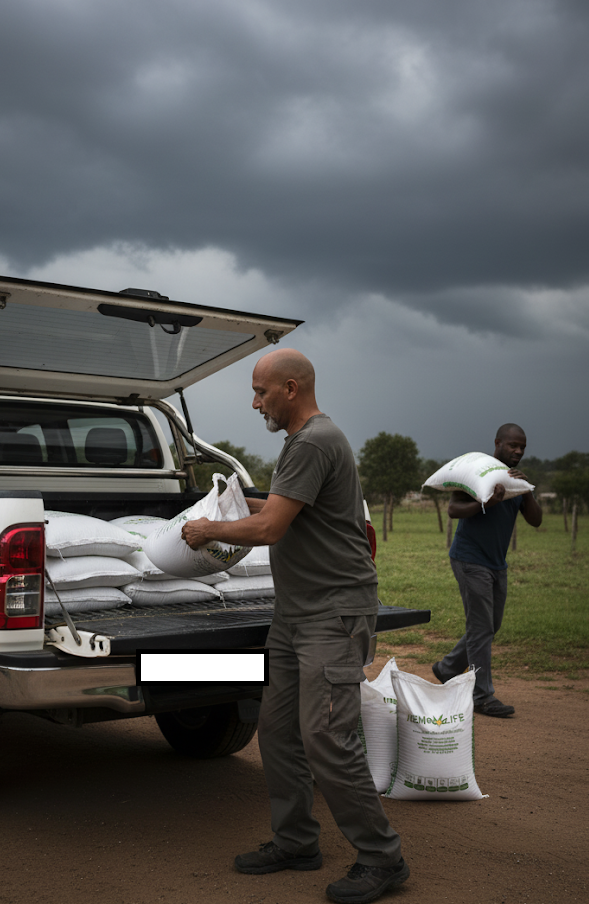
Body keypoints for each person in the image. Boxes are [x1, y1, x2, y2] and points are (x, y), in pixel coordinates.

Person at [181, 348, 408, 904]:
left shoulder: (312, 441)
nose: (255, 402)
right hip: (295, 613)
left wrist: (210, 527)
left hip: (332, 613)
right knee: (279, 730)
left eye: (260, 392)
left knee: (326, 736)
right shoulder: (302, 443)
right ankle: (296, 841)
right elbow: (287, 505)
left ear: (290, 387)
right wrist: (234, 499)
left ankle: (383, 858)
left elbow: (272, 528)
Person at [432, 423, 543, 717]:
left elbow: (536, 521)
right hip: (469, 559)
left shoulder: (516, 480)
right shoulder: (477, 470)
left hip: (497, 563)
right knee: (481, 629)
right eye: (512, 446)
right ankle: (482, 695)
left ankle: (447, 668)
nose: (518, 451)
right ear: (498, 443)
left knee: (491, 625)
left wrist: (527, 490)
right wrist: (486, 502)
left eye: (522, 447)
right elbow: (454, 510)